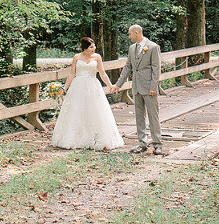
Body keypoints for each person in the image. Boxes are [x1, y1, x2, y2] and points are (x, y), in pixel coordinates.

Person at [51, 37, 124, 150]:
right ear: (85, 48)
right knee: (77, 110)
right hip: (78, 86)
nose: (93, 48)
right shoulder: (77, 57)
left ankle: (95, 139)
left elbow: (102, 73)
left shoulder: (97, 57)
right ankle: (75, 138)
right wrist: (64, 88)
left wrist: (110, 85)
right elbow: (71, 74)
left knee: (95, 110)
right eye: (91, 47)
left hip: (92, 85)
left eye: (94, 46)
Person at [112, 24, 163, 155]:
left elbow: (156, 69)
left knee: (153, 116)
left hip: (149, 87)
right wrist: (118, 84)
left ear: (136, 33)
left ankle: (157, 144)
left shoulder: (153, 47)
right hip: (136, 87)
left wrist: (153, 87)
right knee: (139, 116)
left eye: (129, 34)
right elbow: (127, 67)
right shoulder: (131, 48)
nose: (129, 37)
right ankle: (142, 143)